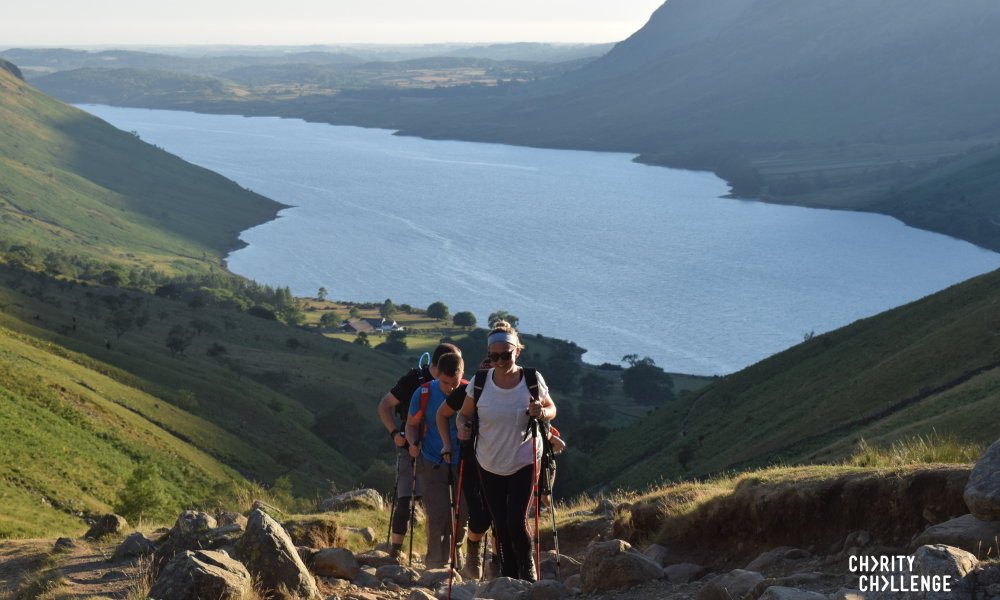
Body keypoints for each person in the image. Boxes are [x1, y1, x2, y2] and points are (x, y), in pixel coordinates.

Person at [447, 321, 557, 581]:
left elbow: (552, 409)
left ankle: (527, 568)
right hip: (488, 463)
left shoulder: (531, 379)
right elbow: (462, 416)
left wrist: (542, 412)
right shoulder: (480, 381)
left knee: (515, 520)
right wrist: (462, 429)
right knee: (500, 523)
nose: (499, 361)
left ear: (517, 351)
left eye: (505, 355)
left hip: (524, 460)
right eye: (493, 356)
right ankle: (509, 578)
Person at [377, 343, 461, 558]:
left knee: (436, 506)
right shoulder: (414, 379)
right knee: (405, 500)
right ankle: (395, 553)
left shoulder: (456, 387)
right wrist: (396, 434)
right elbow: (385, 404)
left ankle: (433, 555)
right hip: (411, 447)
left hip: (440, 452)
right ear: (438, 366)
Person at [406, 352, 468, 570]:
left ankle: (456, 556)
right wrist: (413, 443)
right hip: (431, 460)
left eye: (455, 383)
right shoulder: (423, 393)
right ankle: (436, 566)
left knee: (463, 515)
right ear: (436, 374)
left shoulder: (470, 392)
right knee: (439, 513)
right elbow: (411, 425)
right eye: (445, 382)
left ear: (462, 375)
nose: (451, 388)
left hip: (464, 462)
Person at [436, 356, 495, 580]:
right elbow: (443, 414)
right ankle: (473, 554)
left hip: (505, 463)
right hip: (471, 461)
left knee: (501, 516)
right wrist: (448, 443)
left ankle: (498, 564)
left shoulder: (514, 388)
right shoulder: (471, 389)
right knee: (480, 516)